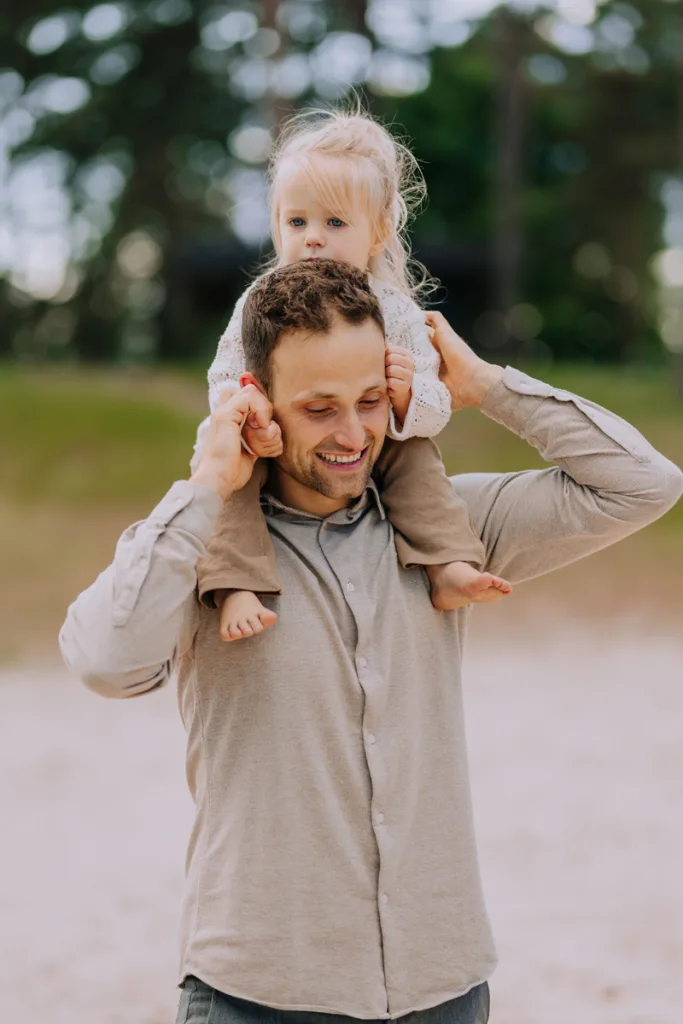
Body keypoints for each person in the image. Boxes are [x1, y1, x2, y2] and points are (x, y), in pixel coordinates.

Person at [60, 259, 682, 1024]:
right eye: (319, 408)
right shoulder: (200, 549)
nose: (353, 434)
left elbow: (642, 484)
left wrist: (486, 386)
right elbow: (104, 663)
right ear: (256, 399)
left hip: (443, 988)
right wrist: (204, 488)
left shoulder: (449, 528)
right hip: (259, 995)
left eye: (367, 400)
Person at [194, 106, 510, 644]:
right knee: (225, 472)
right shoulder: (259, 302)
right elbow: (225, 373)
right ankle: (234, 585)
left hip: (370, 443)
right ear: (277, 226)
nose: (313, 238)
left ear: (378, 232)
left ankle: (446, 564)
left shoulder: (396, 311)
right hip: (278, 441)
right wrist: (250, 417)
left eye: (335, 223)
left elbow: (435, 406)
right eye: (297, 222)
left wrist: (410, 394)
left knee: (417, 462)